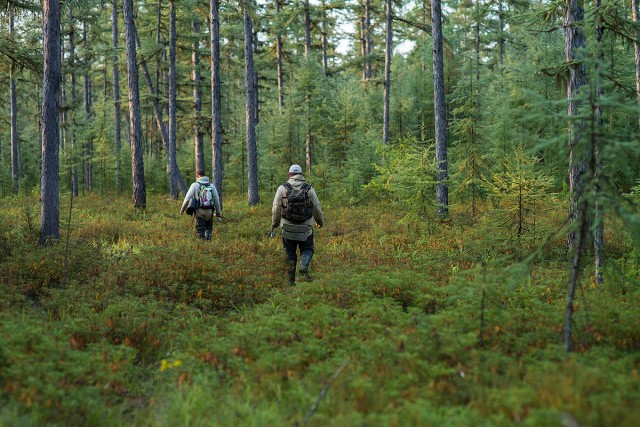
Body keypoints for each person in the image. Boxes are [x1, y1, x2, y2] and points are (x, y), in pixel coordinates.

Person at [271, 164, 324, 285]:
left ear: (289, 174)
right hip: (305, 228)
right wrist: (319, 222)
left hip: (287, 228)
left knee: (289, 254)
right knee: (307, 249)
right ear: (301, 174)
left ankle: (291, 282)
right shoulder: (309, 188)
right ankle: (303, 265)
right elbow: (317, 207)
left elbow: (275, 209)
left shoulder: (282, 188)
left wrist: (274, 224)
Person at [180, 170, 222, 240]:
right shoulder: (211, 185)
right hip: (210, 211)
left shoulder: (194, 185)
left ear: (197, 176)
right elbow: (217, 200)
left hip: (199, 211)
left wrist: (182, 210)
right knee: (208, 229)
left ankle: (202, 246)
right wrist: (218, 213)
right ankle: (208, 245)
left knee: (200, 231)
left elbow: (187, 198)